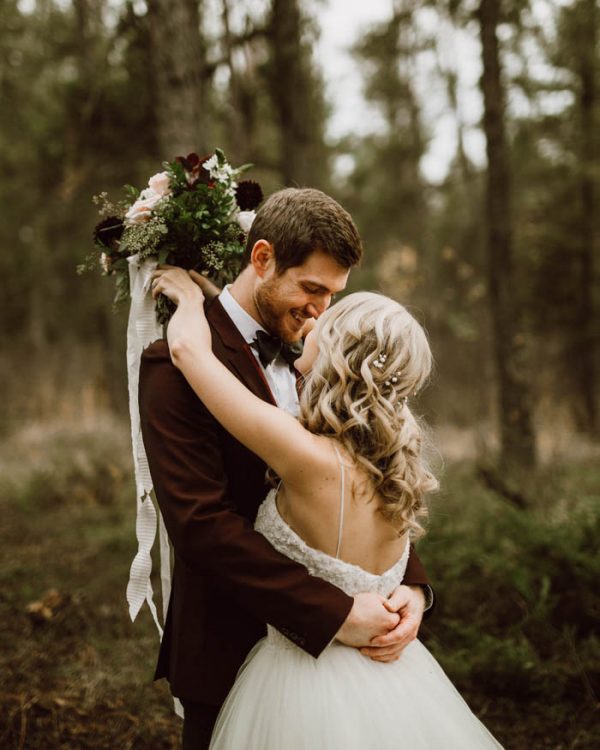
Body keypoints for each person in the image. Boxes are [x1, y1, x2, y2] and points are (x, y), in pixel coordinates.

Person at [151, 268, 504, 749]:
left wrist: (191, 303)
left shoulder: (305, 456)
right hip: (392, 680)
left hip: (296, 683)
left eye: (329, 317)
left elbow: (189, 352)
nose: (315, 318)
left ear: (339, 353)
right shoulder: (395, 466)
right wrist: (228, 298)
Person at [139, 188, 434, 750]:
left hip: (356, 667)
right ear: (262, 259)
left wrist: (408, 588)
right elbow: (202, 525)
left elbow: (371, 478)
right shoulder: (175, 364)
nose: (320, 310)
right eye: (312, 288)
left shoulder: (330, 359)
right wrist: (335, 611)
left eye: (333, 294)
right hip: (232, 649)